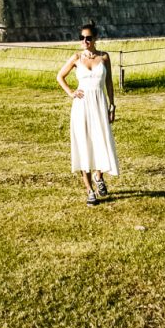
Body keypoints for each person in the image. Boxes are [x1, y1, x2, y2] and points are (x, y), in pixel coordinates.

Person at [56, 22, 119, 205]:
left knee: (100, 141)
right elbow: (60, 76)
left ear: (95, 38)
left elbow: (109, 83)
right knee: (84, 145)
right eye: (82, 38)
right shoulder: (76, 57)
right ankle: (89, 190)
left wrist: (112, 106)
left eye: (88, 38)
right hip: (81, 107)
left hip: (99, 105)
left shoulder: (104, 57)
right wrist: (70, 92)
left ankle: (99, 176)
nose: (85, 41)